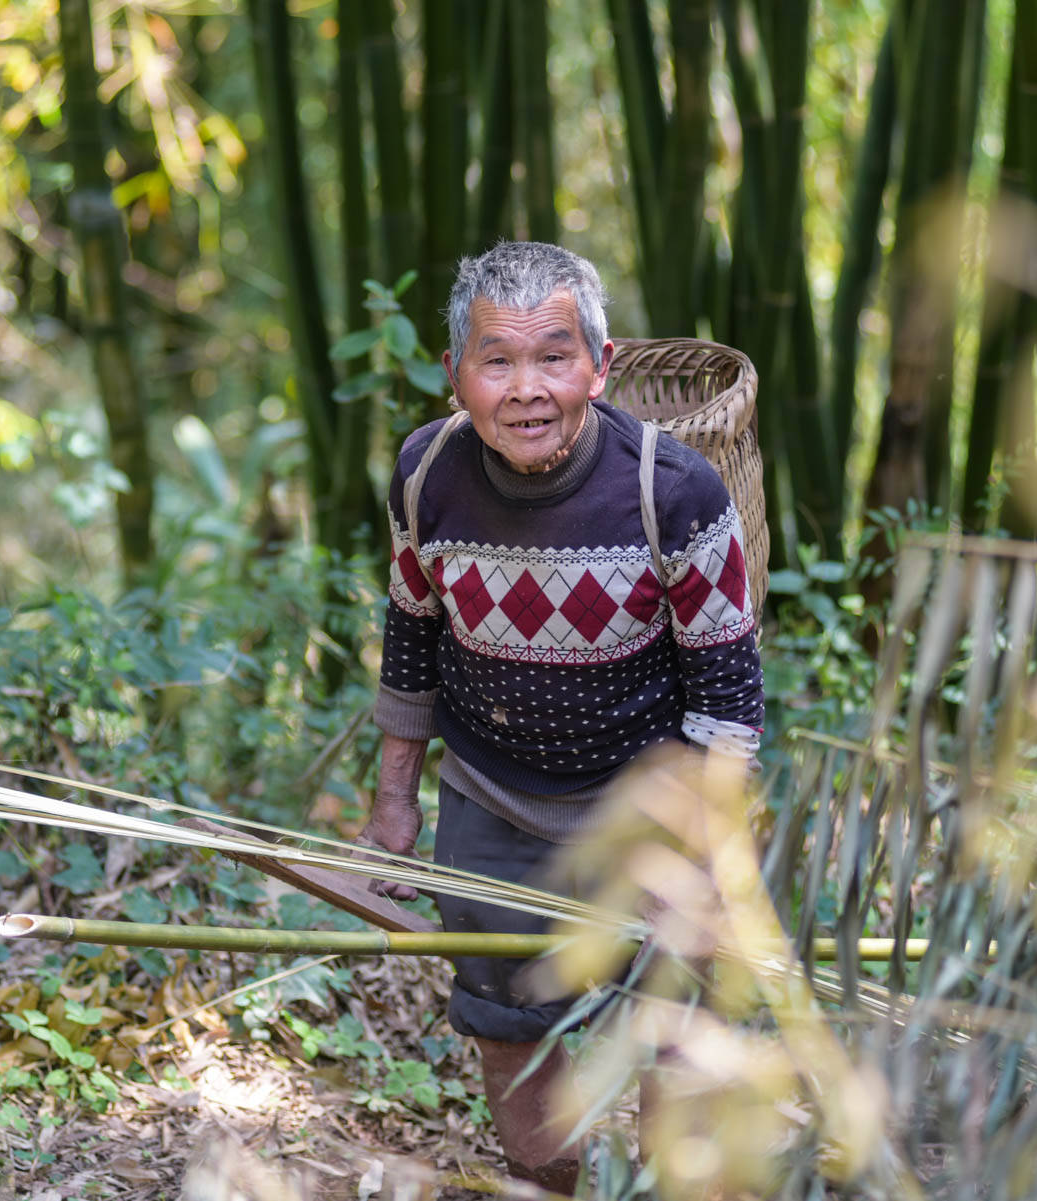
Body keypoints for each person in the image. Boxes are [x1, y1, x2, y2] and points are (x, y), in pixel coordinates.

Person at [360, 241, 765, 1190]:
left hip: (647, 807)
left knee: (676, 1026)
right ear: (456, 372)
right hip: (493, 799)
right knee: (507, 1019)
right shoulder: (426, 475)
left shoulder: (675, 494)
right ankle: (553, 1186)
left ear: (601, 364)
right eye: (497, 360)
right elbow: (413, 639)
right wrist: (392, 807)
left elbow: (728, 699)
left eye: (554, 356)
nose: (527, 388)